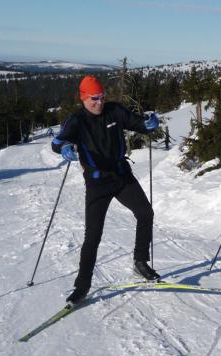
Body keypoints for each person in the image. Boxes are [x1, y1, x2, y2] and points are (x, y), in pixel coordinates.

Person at [51, 75, 161, 304]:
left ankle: (140, 262)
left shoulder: (114, 111)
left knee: (145, 213)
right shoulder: (76, 121)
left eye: (101, 97)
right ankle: (82, 286)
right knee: (93, 236)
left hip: (121, 175)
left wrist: (148, 124)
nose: (99, 102)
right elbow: (57, 142)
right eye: (94, 98)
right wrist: (64, 148)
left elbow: (137, 122)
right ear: (83, 98)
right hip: (97, 183)